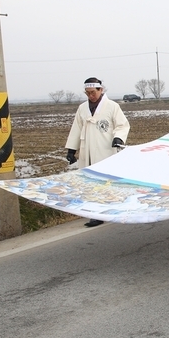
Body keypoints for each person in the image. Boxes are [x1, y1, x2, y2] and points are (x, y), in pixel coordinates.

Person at [65, 77, 130, 226]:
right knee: (90, 181)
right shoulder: (82, 108)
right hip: (87, 150)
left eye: (93, 92)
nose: (91, 96)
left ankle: (111, 208)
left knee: (107, 181)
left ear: (101, 90)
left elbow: (122, 125)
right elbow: (76, 129)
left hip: (105, 149)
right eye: (87, 93)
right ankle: (96, 213)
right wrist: (71, 150)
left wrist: (118, 138)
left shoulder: (112, 106)